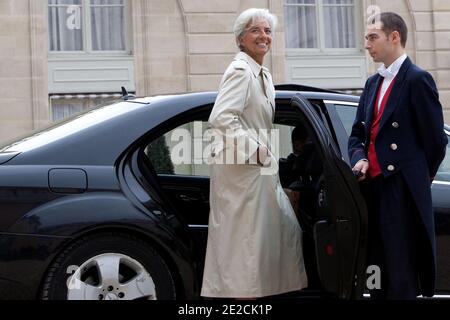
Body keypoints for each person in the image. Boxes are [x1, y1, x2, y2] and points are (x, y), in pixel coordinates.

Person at [201, 8, 308, 298]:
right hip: (242, 173)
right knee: (244, 251)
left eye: (268, 31)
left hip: (257, 170)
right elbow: (222, 118)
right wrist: (258, 151)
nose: (263, 36)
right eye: (255, 31)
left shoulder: (262, 74)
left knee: (269, 240)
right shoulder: (240, 71)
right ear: (241, 39)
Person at [348, 12, 448, 299]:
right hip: (372, 190)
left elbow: (436, 141)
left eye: (372, 37)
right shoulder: (372, 84)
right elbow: (357, 135)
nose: (367, 44)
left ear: (394, 37)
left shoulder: (417, 80)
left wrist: (417, 177)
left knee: (401, 269)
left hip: (400, 191)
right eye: (366, 38)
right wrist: (359, 158)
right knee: (375, 269)